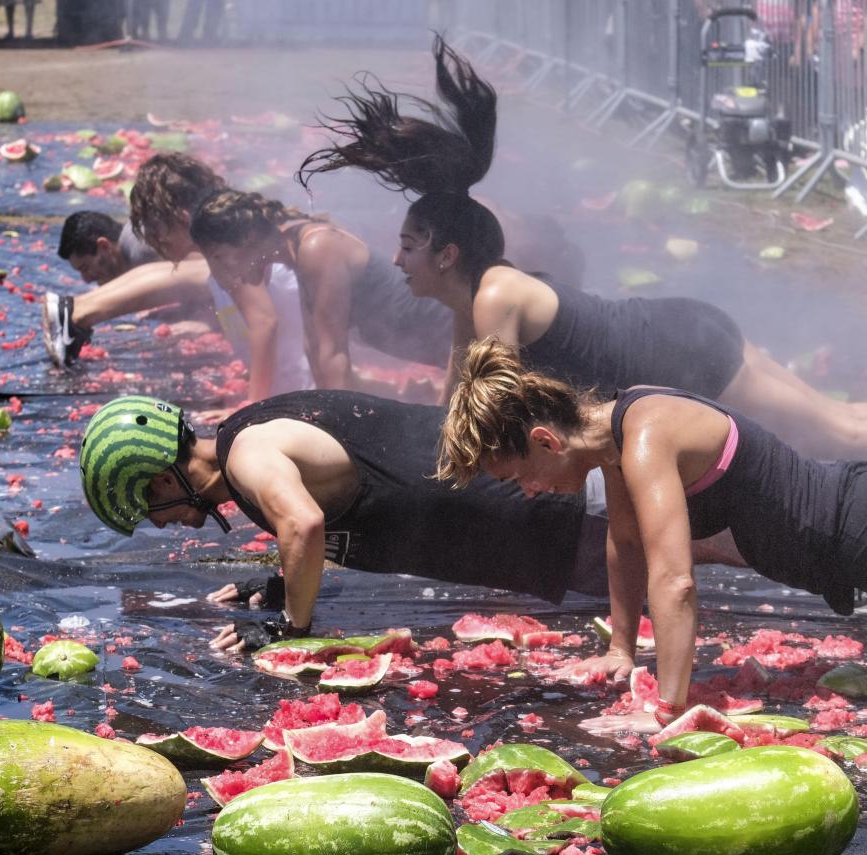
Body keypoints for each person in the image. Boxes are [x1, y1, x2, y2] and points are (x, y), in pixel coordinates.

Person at [298, 35, 867, 460]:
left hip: (682, 352)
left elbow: (489, 412)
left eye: (407, 246)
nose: (395, 260)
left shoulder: (496, 296)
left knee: (841, 435)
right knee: (841, 421)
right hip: (678, 334)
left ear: (446, 254)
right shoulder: (472, 300)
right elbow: (455, 408)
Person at [78, 390, 743, 652]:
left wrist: (291, 631)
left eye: (150, 506)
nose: (162, 523)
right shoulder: (243, 442)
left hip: (520, 506)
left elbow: (304, 526)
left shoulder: (247, 453)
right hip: (502, 515)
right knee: (710, 529)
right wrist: (278, 584)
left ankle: (829, 544)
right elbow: (334, 519)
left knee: (719, 539)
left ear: (165, 476)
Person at [437, 336, 867, 733]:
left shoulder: (644, 435)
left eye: (520, 477)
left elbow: (675, 581)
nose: (529, 493)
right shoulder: (615, 434)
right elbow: (626, 542)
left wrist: (669, 712)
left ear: (546, 441)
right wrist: (620, 650)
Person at [42, 154, 311, 407]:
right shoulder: (219, 255)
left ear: (179, 217)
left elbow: (264, 322)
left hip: (305, 390)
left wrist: (253, 410)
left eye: (153, 228)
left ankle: (79, 310)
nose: (152, 240)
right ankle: (78, 310)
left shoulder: (226, 248)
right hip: (292, 387)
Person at [189, 187, 453, 392]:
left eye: (219, 256)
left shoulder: (316, 247)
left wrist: (339, 433)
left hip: (457, 338)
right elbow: (313, 347)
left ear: (246, 239)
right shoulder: (296, 255)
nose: (220, 272)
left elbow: (333, 354)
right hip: (442, 350)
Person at [57, 211, 159, 285]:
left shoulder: (142, 252)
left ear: (104, 246)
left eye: (85, 268)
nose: (86, 280)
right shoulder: (132, 240)